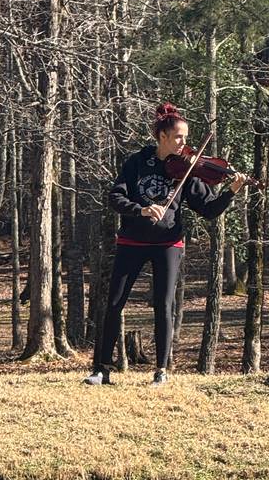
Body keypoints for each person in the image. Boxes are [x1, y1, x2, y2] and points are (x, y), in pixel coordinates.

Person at [84, 102, 243, 385]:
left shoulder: (188, 169)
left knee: (164, 304)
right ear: (163, 137)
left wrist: (231, 191)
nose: (185, 143)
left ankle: (161, 371)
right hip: (132, 240)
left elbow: (208, 209)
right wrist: (141, 210)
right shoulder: (137, 163)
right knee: (115, 303)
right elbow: (115, 198)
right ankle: (101, 369)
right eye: (179, 137)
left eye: (186, 137)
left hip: (168, 243)